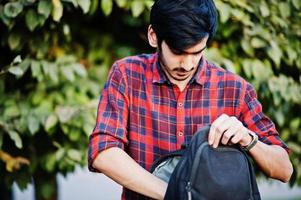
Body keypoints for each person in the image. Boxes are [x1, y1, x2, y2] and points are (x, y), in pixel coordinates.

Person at [88, 0, 293, 199]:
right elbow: (103, 152)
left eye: (196, 52)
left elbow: (284, 170)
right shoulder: (126, 74)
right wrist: (177, 194)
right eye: (177, 52)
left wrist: (249, 140)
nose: (187, 64)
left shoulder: (235, 89)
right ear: (153, 36)